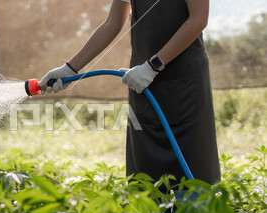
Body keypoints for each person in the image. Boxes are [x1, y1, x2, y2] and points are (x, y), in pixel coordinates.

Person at [39, 0, 221, 186]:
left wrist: (154, 65)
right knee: (146, 181)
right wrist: (70, 68)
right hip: (142, 82)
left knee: (195, 173)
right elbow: (112, 23)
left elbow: (198, 20)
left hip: (185, 85)